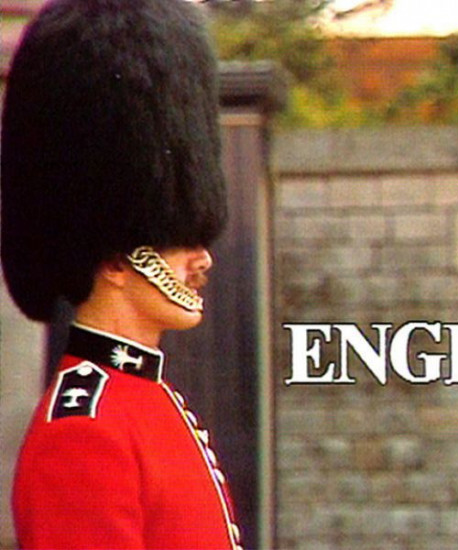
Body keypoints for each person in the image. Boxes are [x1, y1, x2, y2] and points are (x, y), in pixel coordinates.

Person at [1, 0, 242, 547]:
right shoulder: (84, 429)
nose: (202, 259)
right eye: (177, 238)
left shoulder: (144, 400)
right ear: (114, 260)